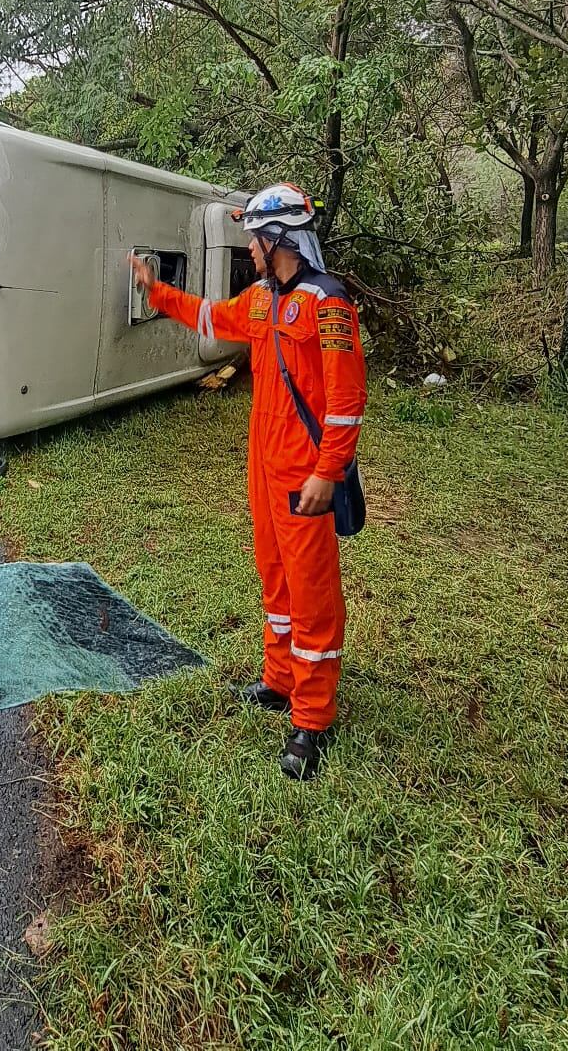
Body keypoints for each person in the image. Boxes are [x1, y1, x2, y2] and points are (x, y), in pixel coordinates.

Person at [128, 183, 366, 781]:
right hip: (263, 466)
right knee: (275, 576)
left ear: (277, 239)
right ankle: (280, 680)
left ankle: (312, 718)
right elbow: (211, 317)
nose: (250, 251)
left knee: (311, 593)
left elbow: (346, 402)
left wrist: (327, 472)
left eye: (254, 241)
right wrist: (156, 292)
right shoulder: (261, 300)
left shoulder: (328, 303)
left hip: (305, 474)